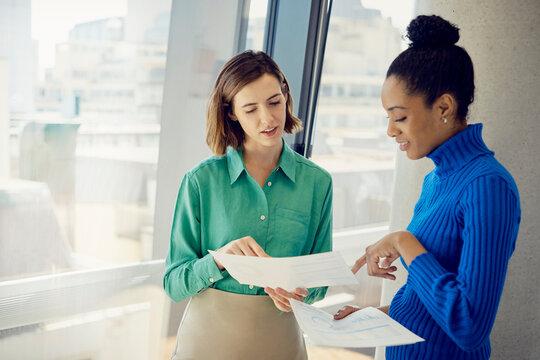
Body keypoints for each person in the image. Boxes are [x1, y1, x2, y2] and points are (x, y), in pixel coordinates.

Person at [334, 15, 521, 359]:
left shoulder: (488, 186)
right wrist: (375, 316)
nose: (391, 131)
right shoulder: (435, 179)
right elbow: (427, 301)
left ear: (444, 107)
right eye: (387, 118)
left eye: (399, 117)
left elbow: (469, 325)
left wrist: (404, 242)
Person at [163, 50, 333, 360]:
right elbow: (174, 284)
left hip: (281, 345)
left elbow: (319, 284)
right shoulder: (201, 181)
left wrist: (300, 290)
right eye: (251, 109)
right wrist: (220, 259)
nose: (267, 119)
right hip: (206, 345)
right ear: (231, 113)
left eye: (273, 102)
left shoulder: (318, 183)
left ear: (286, 96)